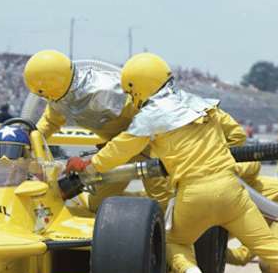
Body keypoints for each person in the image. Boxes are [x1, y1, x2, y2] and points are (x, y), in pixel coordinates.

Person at [66, 52, 278, 273]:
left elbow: (118, 152)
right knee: (273, 248)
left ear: (136, 88)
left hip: (193, 194)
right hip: (231, 189)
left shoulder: (148, 119)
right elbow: (237, 135)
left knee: (172, 240)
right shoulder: (202, 105)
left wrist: (87, 165)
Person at [23, 50, 171, 211]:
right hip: (117, 149)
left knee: (163, 203)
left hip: (150, 144)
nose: (48, 100)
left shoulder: (107, 90)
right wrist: (27, 140)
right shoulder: (58, 97)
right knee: (98, 205)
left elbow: (145, 122)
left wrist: (93, 162)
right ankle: (142, 205)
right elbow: (50, 121)